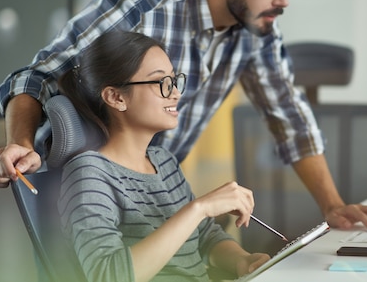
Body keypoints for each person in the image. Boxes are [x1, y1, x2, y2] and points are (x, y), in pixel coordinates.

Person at [0, 0, 367, 233]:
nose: (283, 1)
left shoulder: (258, 29)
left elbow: (291, 120)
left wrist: (333, 206)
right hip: (81, 196)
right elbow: (36, 76)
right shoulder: (145, 5)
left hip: (156, 190)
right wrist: (21, 143)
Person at [57, 30, 269, 282]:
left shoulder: (163, 161)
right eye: (161, 83)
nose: (176, 94)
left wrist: (242, 261)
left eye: (173, 80)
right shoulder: (88, 174)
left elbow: (203, 237)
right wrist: (198, 208)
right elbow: (107, 275)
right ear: (116, 97)